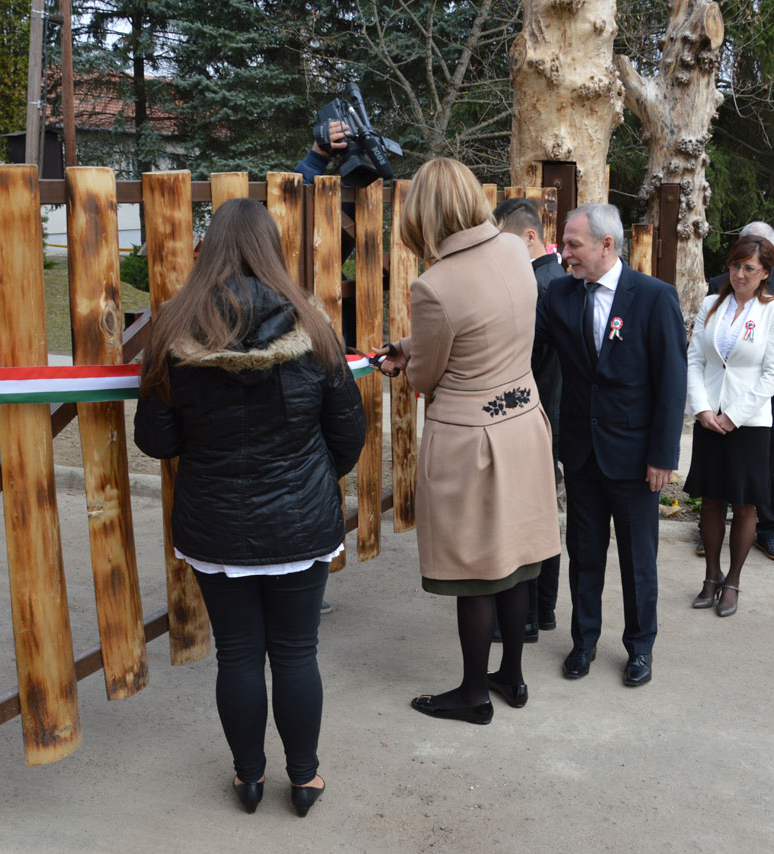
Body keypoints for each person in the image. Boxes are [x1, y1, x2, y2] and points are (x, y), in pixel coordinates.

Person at [134, 198, 366, 817]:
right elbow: (349, 433)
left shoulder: (174, 332)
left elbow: (156, 440)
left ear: (209, 249)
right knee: (296, 652)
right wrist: (309, 478)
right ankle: (305, 780)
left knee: (237, 654)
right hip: (301, 522)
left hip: (214, 524)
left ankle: (249, 778)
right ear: (272, 250)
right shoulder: (314, 328)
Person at [373, 158, 560, 724]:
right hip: (523, 423)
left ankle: (474, 694)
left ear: (425, 215)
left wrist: (405, 359)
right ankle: (512, 676)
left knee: (474, 569)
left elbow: (428, 375)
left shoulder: (434, 285)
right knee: (515, 559)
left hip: (471, 442)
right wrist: (417, 344)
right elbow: (488, 327)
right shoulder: (514, 250)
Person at [534, 202, 687, 688]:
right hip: (581, 453)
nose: (565, 254)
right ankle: (583, 642)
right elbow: (523, 346)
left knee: (638, 560)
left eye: (573, 244)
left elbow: (672, 382)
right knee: (584, 555)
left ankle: (640, 648)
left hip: (636, 457)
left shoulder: (654, 297)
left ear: (606, 244)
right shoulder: (559, 295)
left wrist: (662, 455)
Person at [684, 235, 774, 617]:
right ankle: (711, 575)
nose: (739, 274)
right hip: (709, 418)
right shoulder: (711, 304)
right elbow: (695, 360)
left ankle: (732, 580)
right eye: (735, 265)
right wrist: (702, 409)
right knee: (711, 500)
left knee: (745, 504)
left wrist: (734, 415)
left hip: (749, 422)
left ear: (764, 273)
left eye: (749, 268)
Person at [702, 221, 774, 561]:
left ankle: (769, 530)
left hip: (766, 398)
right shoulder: (718, 288)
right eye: (739, 259)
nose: (741, 272)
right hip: (716, 401)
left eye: (751, 263)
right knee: (716, 483)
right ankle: (711, 537)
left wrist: (745, 403)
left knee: (764, 471)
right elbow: (702, 353)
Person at [492, 196, 566, 642]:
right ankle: (542, 610)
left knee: (530, 515)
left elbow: (524, 359)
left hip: (536, 410)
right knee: (541, 511)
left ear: (529, 237)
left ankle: (528, 616)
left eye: (504, 240)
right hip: (548, 410)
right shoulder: (554, 279)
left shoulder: (539, 285)